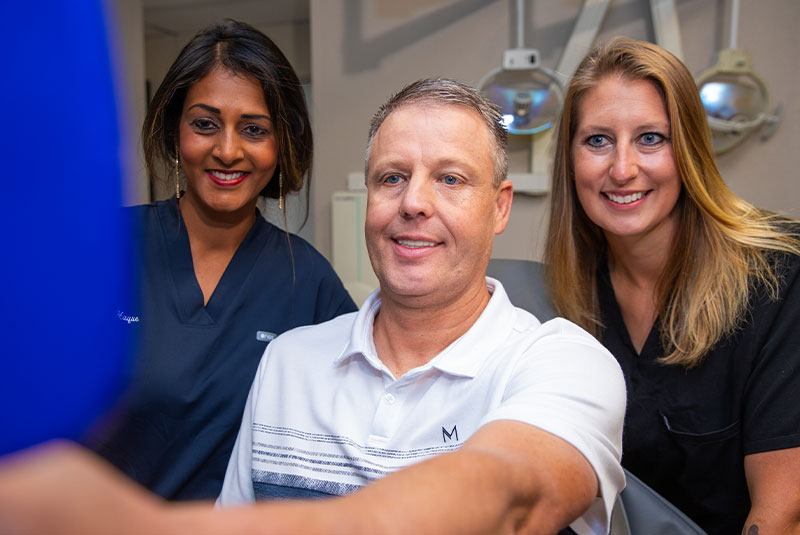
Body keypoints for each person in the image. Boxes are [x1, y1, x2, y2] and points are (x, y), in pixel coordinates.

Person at [0, 78, 626, 535]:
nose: (413, 202)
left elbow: (508, 499)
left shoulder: (564, 363)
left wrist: (134, 525)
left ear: (499, 207)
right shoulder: (289, 361)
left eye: (451, 179)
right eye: (391, 177)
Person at [90, 19, 356, 501]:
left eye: (254, 129)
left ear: (282, 146)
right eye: (205, 124)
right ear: (175, 130)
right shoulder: (103, 247)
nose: (227, 150)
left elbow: (354, 431)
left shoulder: (309, 281)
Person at [544, 36, 800, 535]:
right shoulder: (567, 296)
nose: (622, 169)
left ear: (689, 150)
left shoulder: (779, 275)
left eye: (651, 138)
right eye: (597, 140)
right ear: (570, 159)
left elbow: (782, 515)